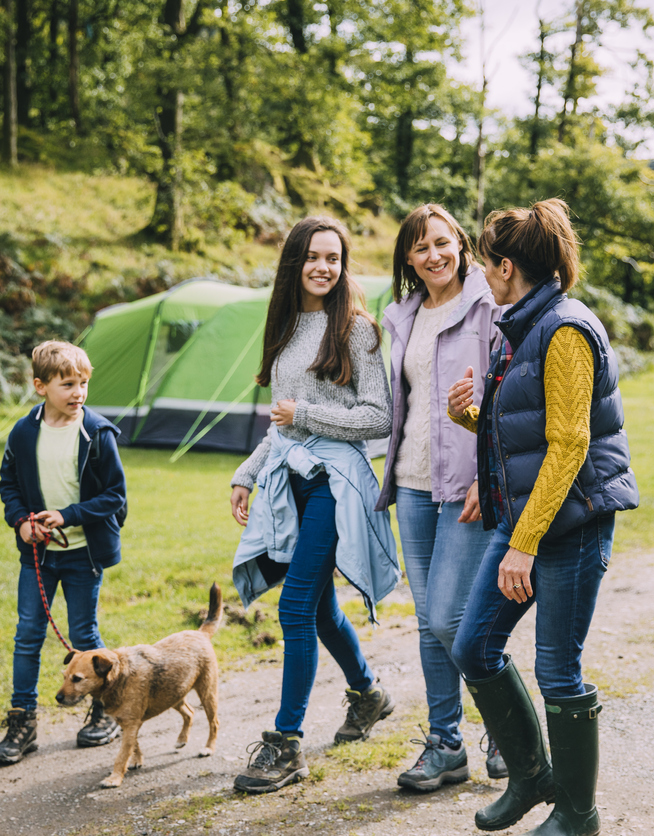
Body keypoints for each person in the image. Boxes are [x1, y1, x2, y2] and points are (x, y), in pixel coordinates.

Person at [446, 200, 638, 835]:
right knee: (475, 646)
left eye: (483, 265)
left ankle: (579, 815)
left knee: (558, 669)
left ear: (507, 268)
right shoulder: (523, 323)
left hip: (572, 526)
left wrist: (522, 544)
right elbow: (523, 433)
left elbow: (570, 445)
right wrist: (468, 415)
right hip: (527, 520)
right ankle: (533, 778)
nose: (479, 275)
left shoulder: (564, 330)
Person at [229, 216, 399, 794]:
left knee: (296, 607)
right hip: (290, 479)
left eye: (334, 257)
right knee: (321, 608)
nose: (324, 267)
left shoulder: (356, 329)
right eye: (313, 257)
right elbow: (280, 426)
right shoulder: (284, 328)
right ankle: (369, 694)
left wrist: (306, 413)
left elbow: (379, 417)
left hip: (336, 482)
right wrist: (247, 473)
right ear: (294, 262)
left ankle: (285, 744)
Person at [374, 204, 504, 792]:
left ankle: (506, 728)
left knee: (454, 617)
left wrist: (489, 472)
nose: (435, 255)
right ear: (408, 257)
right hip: (410, 483)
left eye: (444, 243)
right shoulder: (401, 315)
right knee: (429, 623)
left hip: (467, 486)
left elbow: (507, 396)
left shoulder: (488, 307)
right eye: (422, 247)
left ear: (462, 246)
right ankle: (445, 744)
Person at [0, 340, 129, 766]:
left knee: (85, 636)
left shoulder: (98, 433)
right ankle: (22, 723)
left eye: (84, 383)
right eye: (67, 383)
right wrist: (22, 521)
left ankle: (104, 711)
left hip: (82, 555)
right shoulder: (23, 432)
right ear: (40, 386)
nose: (78, 393)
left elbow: (115, 496)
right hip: (38, 556)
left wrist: (67, 515)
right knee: (27, 635)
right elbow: (8, 484)